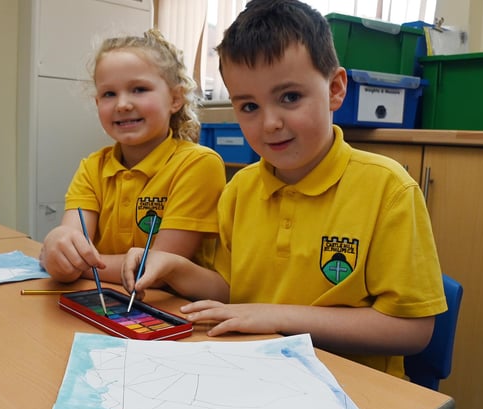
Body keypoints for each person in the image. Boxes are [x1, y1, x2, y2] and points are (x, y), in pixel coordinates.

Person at [121, 0, 447, 378]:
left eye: (290, 97)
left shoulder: (387, 189)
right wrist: (174, 267)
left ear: (335, 89)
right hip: (250, 372)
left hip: (349, 388)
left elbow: (413, 330)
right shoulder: (239, 189)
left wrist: (276, 316)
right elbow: (232, 291)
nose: (270, 123)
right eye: (248, 106)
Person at [40, 28, 226, 285]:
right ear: (97, 104)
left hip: (173, 310)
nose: (122, 104)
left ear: (175, 98)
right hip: (107, 299)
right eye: (109, 94)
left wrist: (79, 266)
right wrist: (57, 245)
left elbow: (156, 270)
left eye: (138, 89)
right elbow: (73, 241)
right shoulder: (92, 167)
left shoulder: (198, 165)